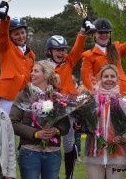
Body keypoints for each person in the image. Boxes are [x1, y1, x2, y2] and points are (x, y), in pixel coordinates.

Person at [9, 60, 70, 179]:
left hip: (53, 152)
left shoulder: (58, 96)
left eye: (36, 71)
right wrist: (36, 133)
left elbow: (66, 125)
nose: (31, 73)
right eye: (32, 70)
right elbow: (13, 122)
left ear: (46, 75)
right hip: (29, 152)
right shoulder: (23, 95)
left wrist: (56, 130)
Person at [45, 17, 89, 178]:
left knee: (69, 143)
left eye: (63, 49)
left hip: (69, 106)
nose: (61, 52)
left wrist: (82, 32)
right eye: (57, 50)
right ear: (50, 51)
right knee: (52, 143)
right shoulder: (43, 66)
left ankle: (69, 175)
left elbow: (78, 48)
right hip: (50, 108)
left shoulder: (68, 61)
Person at [84, 64, 126, 179]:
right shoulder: (92, 100)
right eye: (106, 76)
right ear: (100, 79)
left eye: (112, 76)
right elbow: (82, 123)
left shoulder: (124, 101)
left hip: (118, 154)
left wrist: (124, 136)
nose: (109, 79)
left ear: (117, 79)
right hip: (94, 154)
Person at [81, 17, 126, 97]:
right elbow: (87, 80)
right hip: (103, 94)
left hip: (125, 91)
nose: (104, 35)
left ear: (110, 34)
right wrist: (95, 95)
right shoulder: (88, 55)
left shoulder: (117, 48)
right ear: (94, 34)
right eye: (100, 32)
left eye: (106, 32)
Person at [0, 1, 35, 114]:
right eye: (16, 34)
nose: (21, 36)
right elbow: (2, 35)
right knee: (4, 125)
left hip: (25, 96)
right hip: (8, 94)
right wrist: (4, 18)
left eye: (22, 32)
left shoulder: (31, 54)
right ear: (10, 36)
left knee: (22, 126)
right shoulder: (6, 47)